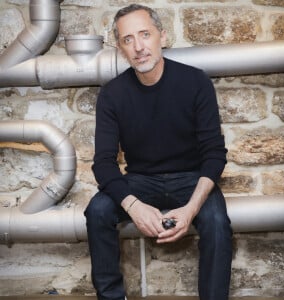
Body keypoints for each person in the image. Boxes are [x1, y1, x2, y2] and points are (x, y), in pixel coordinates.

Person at [84, 4, 232, 300]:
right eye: (128, 39)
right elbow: (103, 163)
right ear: (120, 47)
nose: (138, 47)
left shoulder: (195, 82)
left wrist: (191, 209)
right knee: (97, 210)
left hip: (192, 177)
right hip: (141, 179)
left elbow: (214, 154)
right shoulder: (112, 94)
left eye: (145, 35)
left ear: (161, 37)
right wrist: (134, 206)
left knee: (216, 222)